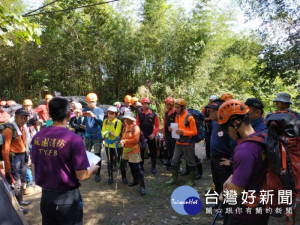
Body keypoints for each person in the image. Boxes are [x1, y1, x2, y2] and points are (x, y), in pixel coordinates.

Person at [31, 97, 99, 225]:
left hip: (46, 197)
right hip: (67, 199)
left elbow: (34, 166)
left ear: (49, 114)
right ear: (69, 114)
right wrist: (93, 170)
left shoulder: (38, 137)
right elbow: (82, 175)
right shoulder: (73, 139)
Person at [218, 99, 269, 225]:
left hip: (244, 213)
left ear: (236, 122)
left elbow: (235, 193)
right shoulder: (261, 138)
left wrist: (222, 195)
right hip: (261, 207)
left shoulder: (245, 150)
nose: (226, 132)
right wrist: (233, 176)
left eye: (226, 128)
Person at [2, 108, 31, 206]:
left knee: (22, 180)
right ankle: (15, 206)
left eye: (25, 118)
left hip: (22, 157)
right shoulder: (9, 130)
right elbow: (5, 149)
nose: (24, 120)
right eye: (21, 117)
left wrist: (28, 157)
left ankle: (20, 201)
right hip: (14, 158)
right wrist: (8, 166)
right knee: (15, 183)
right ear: (15, 117)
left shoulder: (22, 128)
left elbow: (25, 143)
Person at [166, 99, 197, 186]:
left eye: (178, 107)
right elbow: (177, 128)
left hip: (188, 144)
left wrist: (183, 132)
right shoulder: (177, 116)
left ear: (183, 107)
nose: (176, 109)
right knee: (174, 161)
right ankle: (174, 178)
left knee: (190, 162)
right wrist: (172, 129)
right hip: (178, 143)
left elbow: (194, 132)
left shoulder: (190, 118)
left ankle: (192, 181)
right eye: (175, 107)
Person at [120, 111, 146, 195]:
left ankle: (142, 187)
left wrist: (125, 141)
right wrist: (122, 141)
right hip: (126, 150)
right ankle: (135, 181)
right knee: (131, 166)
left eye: (127, 119)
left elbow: (135, 140)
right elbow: (122, 137)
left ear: (131, 120)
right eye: (125, 119)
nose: (126, 121)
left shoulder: (136, 128)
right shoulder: (125, 128)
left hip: (134, 150)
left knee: (138, 168)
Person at [101, 106, 127, 184]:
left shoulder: (118, 122)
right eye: (109, 113)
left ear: (116, 114)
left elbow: (116, 134)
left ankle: (124, 177)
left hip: (116, 145)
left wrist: (108, 132)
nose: (110, 115)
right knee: (109, 161)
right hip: (108, 145)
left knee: (120, 161)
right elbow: (102, 133)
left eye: (112, 113)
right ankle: (110, 177)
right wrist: (107, 133)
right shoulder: (105, 121)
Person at [83, 93, 104, 182]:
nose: (90, 104)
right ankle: (86, 171)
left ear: (95, 102)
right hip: (87, 135)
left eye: (92, 102)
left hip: (97, 135)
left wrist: (93, 116)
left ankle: (98, 174)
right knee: (86, 154)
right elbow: (80, 116)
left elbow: (101, 122)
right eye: (88, 102)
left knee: (97, 154)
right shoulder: (86, 109)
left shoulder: (99, 111)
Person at [136, 97, 160, 174]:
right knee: (141, 152)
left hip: (151, 136)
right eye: (143, 104)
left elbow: (157, 126)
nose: (144, 105)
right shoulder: (139, 115)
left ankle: (153, 167)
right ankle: (141, 166)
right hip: (142, 136)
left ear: (148, 104)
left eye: (145, 104)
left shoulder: (153, 114)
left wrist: (154, 134)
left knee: (153, 151)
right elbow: (137, 125)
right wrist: (139, 134)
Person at [23, 99, 40, 195]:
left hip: (32, 134)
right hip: (25, 135)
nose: (28, 107)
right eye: (26, 105)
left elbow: (37, 123)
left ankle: (36, 177)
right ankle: (30, 179)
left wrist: (38, 132)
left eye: (29, 105)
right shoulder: (21, 114)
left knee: (35, 158)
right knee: (27, 158)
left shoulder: (34, 114)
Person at [163, 96, 176, 170]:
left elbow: (179, 123)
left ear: (171, 104)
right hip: (168, 134)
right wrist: (164, 133)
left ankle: (174, 164)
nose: (166, 106)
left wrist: (173, 129)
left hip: (174, 134)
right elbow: (165, 123)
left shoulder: (175, 113)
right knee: (169, 149)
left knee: (174, 149)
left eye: (167, 104)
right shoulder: (166, 113)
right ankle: (170, 162)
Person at [202, 95, 217, 160]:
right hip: (208, 126)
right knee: (207, 141)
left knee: (216, 140)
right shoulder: (205, 108)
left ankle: (214, 154)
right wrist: (209, 118)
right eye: (211, 100)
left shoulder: (218, 108)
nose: (211, 102)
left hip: (216, 125)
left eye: (213, 101)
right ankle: (208, 155)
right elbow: (201, 117)